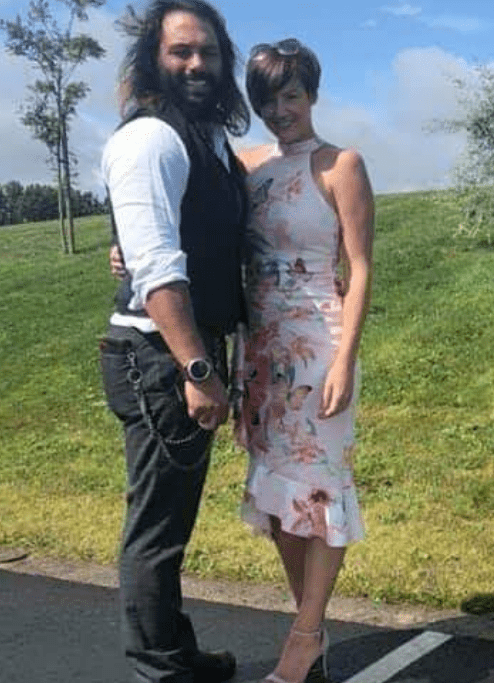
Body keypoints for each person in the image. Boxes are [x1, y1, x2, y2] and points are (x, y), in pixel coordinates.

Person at [97, 1, 251, 682]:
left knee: (171, 523)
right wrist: (197, 367)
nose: (196, 64)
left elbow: (175, 236)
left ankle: (175, 652)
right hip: (160, 359)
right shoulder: (151, 139)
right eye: (181, 51)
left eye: (209, 52)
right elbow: (159, 266)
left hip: (181, 353)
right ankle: (158, 669)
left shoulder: (207, 139)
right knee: (156, 530)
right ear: (152, 59)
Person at [235, 38, 375, 683]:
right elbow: (202, 232)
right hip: (260, 350)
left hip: (318, 347)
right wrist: (121, 253)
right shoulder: (247, 166)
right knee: (280, 497)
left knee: (319, 490)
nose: (280, 109)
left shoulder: (340, 164)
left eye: (291, 95)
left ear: (312, 94)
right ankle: (309, 632)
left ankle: (304, 637)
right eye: (267, 98)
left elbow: (361, 266)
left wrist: (345, 358)